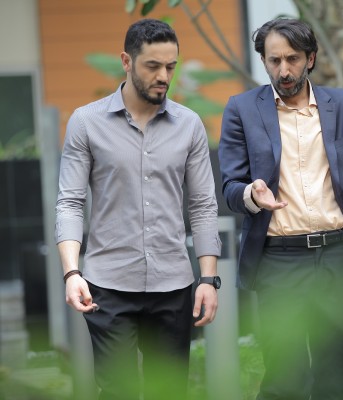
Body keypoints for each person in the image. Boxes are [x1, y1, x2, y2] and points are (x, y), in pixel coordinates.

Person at [218, 17, 343, 400]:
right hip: (279, 262)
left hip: (339, 257)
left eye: (293, 59)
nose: (283, 70)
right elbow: (230, 187)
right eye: (274, 60)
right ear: (263, 61)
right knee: (285, 381)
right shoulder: (241, 109)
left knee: (334, 381)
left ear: (310, 58)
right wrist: (252, 194)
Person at [55, 18, 222, 400]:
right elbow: (70, 201)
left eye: (170, 67)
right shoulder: (86, 122)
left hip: (172, 285)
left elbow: (202, 205)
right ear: (126, 62)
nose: (163, 76)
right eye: (153, 66)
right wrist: (72, 272)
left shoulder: (189, 125)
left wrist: (208, 279)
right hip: (108, 284)